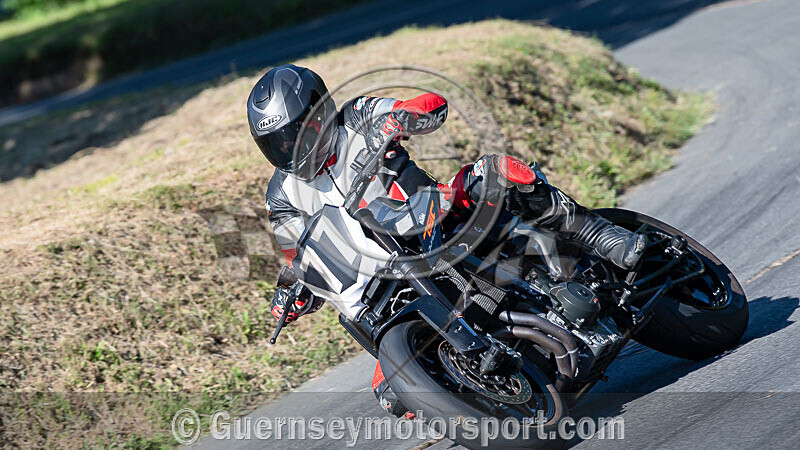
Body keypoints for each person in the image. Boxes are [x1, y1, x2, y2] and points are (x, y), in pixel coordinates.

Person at [248, 64, 646, 417]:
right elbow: (296, 246)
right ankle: (487, 391)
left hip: (437, 216)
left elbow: (429, 105)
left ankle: (602, 235)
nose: (290, 149)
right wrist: (298, 286)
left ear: (320, 111)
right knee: (393, 394)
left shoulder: (358, 115)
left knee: (499, 173)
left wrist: (403, 117)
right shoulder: (281, 193)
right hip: (384, 274)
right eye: (278, 144)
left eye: (297, 134)